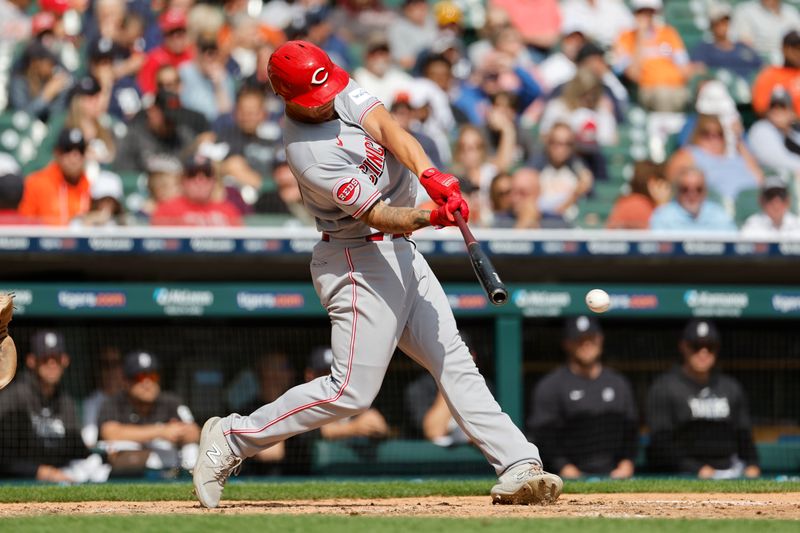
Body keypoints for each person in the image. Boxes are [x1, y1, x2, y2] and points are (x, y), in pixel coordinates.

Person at [192, 40, 562, 509]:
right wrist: (432, 216)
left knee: (453, 360)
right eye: (315, 98)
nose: (327, 101)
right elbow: (379, 215)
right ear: (288, 98)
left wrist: (430, 174)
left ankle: (518, 464)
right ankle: (232, 437)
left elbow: (388, 127)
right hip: (356, 259)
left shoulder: (333, 83)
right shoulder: (308, 152)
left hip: (400, 253)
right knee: (349, 392)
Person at [646, 320, 760, 478]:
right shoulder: (664, 387)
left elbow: (744, 435)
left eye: (710, 346)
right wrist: (696, 468)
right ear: (684, 347)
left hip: (729, 471)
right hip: (682, 474)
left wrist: (753, 465)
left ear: (717, 349)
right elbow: (660, 443)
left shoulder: (731, 387)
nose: (703, 352)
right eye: (696, 346)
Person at [528, 316, 638, 479]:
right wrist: (563, 467)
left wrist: (627, 463)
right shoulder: (551, 386)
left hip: (615, 474)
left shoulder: (618, 383)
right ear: (567, 343)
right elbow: (543, 436)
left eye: (591, 338)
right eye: (579, 339)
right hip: (566, 476)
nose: (586, 344)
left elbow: (631, 429)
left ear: (600, 339)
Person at [0, 330, 89, 482]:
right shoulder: (14, 397)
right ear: (31, 361)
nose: (52, 364)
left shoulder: (66, 401)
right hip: (16, 481)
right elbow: (3, 456)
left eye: (57, 358)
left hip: (61, 475)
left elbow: (78, 450)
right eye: (45, 358)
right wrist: (40, 472)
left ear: (65, 360)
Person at [98, 350, 200, 473]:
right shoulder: (114, 402)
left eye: (152, 376)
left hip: (167, 464)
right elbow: (110, 432)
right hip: (127, 467)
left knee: (191, 448)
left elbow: (194, 432)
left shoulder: (171, 402)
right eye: (139, 377)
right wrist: (161, 431)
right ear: (125, 381)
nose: (147, 383)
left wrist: (179, 433)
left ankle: (189, 482)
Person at [613, 0, 693, 112]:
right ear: (635, 14)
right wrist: (640, 37)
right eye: (642, 13)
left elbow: (685, 68)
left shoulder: (669, 33)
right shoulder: (625, 37)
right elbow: (633, 74)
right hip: (649, 90)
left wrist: (670, 78)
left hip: (676, 88)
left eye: (650, 13)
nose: (646, 17)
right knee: (663, 95)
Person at [666, 114, 762, 203]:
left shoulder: (735, 156)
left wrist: (738, 139)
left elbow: (760, 179)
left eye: (719, 134)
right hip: (723, 207)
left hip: (757, 202)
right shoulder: (690, 154)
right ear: (696, 135)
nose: (713, 139)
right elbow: (675, 183)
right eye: (706, 134)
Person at [18, 128, 91, 225]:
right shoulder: (36, 183)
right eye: (67, 150)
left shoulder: (89, 186)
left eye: (80, 151)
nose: (74, 158)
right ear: (57, 153)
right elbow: (24, 223)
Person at [151, 153, 243, 226]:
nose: (200, 180)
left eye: (207, 174)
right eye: (192, 174)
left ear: (214, 180)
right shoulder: (166, 211)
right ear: (182, 180)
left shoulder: (229, 211)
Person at [529, 122, 593, 226]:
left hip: (570, 227)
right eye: (557, 143)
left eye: (568, 144)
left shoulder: (577, 167)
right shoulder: (537, 166)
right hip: (540, 225)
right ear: (548, 143)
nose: (562, 149)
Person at [689, 3, 762, 80]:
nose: (722, 26)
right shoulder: (704, 49)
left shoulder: (743, 47)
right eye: (718, 23)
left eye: (724, 22)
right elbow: (698, 72)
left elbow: (761, 67)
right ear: (711, 25)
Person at [650, 167, 737, 232]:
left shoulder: (719, 216)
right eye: (685, 189)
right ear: (677, 191)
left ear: (705, 191)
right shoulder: (663, 217)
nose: (692, 194)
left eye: (698, 189)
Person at [137, 8, 194, 96]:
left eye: (180, 33)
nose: (176, 39)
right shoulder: (154, 59)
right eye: (171, 33)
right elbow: (148, 92)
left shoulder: (194, 55)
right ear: (164, 35)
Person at [178, 36, 236, 123]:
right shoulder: (184, 72)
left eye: (213, 52)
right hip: (190, 124)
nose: (208, 56)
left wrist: (218, 85)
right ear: (198, 52)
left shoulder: (224, 77)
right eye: (204, 50)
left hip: (216, 127)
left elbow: (226, 114)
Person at [748, 86, 800, 175]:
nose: (777, 111)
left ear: (792, 113)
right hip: (775, 180)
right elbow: (775, 158)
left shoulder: (794, 134)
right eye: (773, 107)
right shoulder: (761, 128)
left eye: (782, 107)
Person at [606, 160, 671, 229]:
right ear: (652, 183)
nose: (668, 190)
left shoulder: (635, 202)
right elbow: (660, 234)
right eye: (663, 185)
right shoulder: (638, 205)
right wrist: (662, 205)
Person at [731, 0, 800, 64]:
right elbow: (744, 43)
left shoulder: (791, 12)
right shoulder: (745, 11)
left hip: (790, 62)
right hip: (758, 63)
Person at [751, 30, 800, 117]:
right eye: (796, 48)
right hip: (781, 127)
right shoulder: (769, 74)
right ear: (784, 49)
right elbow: (761, 110)